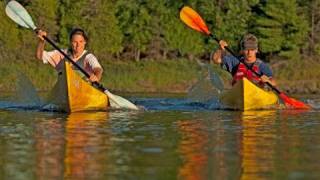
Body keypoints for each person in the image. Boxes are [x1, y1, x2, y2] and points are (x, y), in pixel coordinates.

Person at [36, 28, 103, 82]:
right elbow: (39, 56)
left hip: (84, 90)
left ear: (85, 42)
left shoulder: (89, 57)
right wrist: (42, 41)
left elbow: (98, 69)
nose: (78, 45)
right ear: (71, 43)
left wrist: (96, 77)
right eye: (75, 42)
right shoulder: (62, 54)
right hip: (64, 89)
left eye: (81, 41)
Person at [211, 34, 276, 87]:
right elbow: (216, 59)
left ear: (256, 50)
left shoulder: (262, 66)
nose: (249, 52)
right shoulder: (236, 62)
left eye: (252, 49)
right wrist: (221, 49)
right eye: (246, 49)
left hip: (256, 94)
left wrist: (268, 81)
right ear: (242, 50)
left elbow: (274, 83)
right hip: (237, 94)